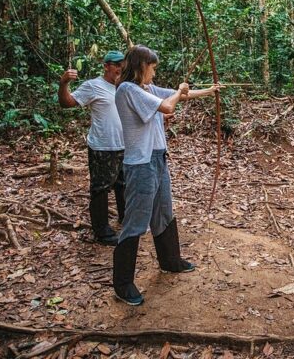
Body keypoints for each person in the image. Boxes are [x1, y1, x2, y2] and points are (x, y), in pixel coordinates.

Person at [112, 45, 222, 306]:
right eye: (152, 67)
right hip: (140, 164)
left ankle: (170, 260)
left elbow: (177, 97)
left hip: (157, 158)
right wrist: (178, 93)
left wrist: (210, 90)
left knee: (163, 211)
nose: (153, 72)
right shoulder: (128, 90)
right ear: (140, 66)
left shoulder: (146, 89)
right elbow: (166, 106)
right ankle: (123, 283)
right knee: (137, 220)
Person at [58, 51, 127, 246]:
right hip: (103, 147)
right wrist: (63, 83)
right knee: (101, 188)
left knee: (123, 184)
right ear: (106, 66)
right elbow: (66, 103)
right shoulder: (93, 86)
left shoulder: (125, 87)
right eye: (116, 64)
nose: (120, 68)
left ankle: (125, 218)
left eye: (123, 64)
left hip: (125, 145)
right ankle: (102, 232)